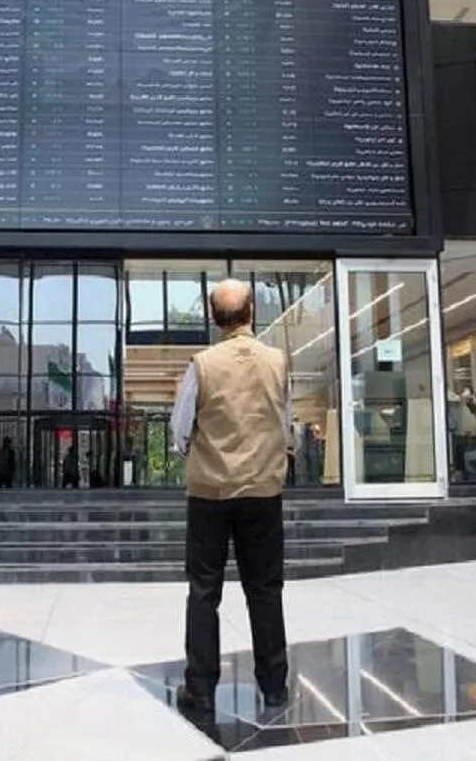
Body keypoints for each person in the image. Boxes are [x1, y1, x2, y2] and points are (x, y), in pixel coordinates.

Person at [170, 279, 293, 716]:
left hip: (210, 492)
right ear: (251, 311)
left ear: (212, 316)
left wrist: (197, 451)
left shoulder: (202, 364)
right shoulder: (277, 361)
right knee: (265, 589)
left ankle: (201, 688)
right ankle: (274, 685)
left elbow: (180, 429)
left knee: (204, 591)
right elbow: (287, 422)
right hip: (263, 490)